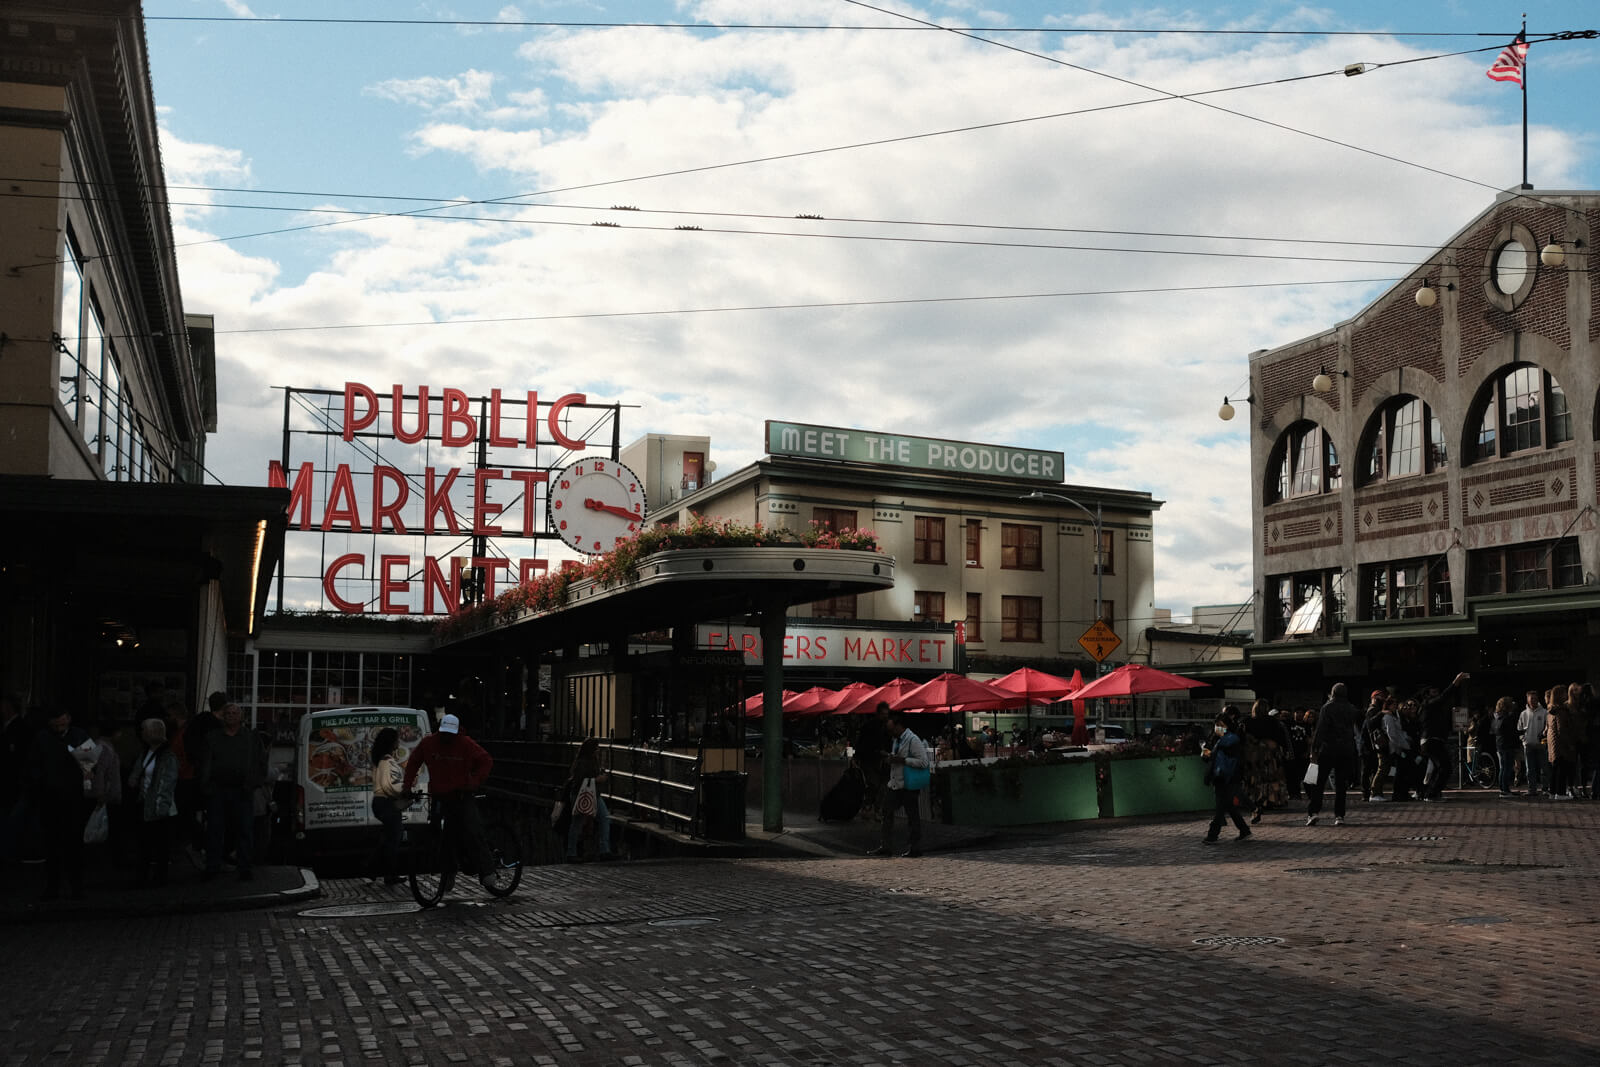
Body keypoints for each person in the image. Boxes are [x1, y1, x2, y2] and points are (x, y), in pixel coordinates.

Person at [402, 712, 496, 888]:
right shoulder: (428, 743)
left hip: (462, 794)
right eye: (443, 733)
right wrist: (407, 787)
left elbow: (486, 761)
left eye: (449, 734)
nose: (446, 737)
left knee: (472, 830)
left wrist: (474, 781)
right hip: (439, 795)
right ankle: (449, 871)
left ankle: (487, 870)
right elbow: (414, 762)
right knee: (442, 835)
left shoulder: (466, 744)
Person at [26, 708, 94, 900]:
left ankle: (73, 886)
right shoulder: (47, 738)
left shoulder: (73, 735)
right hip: (54, 797)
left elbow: (90, 764)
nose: (59, 724)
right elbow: (34, 766)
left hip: (70, 797)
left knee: (71, 844)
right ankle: (58, 886)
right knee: (54, 844)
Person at [200, 702, 267, 881]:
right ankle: (212, 865)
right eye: (227, 713)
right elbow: (206, 762)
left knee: (244, 830)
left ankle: (244, 866)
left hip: (242, 790)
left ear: (241, 716)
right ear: (222, 716)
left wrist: (252, 784)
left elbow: (259, 763)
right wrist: (206, 786)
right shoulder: (212, 737)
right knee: (215, 830)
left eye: (234, 713)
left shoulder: (250, 738)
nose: (230, 716)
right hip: (217, 790)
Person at [867, 710, 929, 858]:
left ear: (899, 726)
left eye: (892, 729)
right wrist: (890, 758)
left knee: (912, 816)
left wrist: (903, 760)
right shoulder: (897, 740)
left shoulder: (913, 740)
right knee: (887, 813)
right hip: (895, 783)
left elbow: (923, 762)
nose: (890, 732)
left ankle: (915, 847)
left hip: (908, 785)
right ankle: (886, 846)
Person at [131, 717, 179, 887]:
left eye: (144, 730)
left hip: (159, 806)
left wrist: (161, 805)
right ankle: (147, 876)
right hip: (148, 802)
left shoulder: (166, 756)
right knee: (147, 844)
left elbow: (167, 783)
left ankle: (156, 877)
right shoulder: (149, 752)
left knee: (158, 845)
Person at [1306, 682, 1360, 826]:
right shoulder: (1352, 709)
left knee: (1319, 782)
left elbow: (1321, 730)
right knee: (1341, 785)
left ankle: (1314, 812)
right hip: (1346, 749)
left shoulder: (1327, 708)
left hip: (1328, 748)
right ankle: (1339, 816)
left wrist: (1314, 749)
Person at [1202, 708, 1251, 843]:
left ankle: (1213, 835)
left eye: (1221, 725)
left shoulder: (1228, 740)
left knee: (1221, 807)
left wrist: (1211, 754)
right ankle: (1244, 829)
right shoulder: (1219, 739)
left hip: (1226, 777)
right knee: (1228, 805)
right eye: (1217, 725)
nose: (1218, 728)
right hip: (1222, 777)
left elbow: (1227, 759)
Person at [1418, 672, 1469, 801]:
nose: (1436, 693)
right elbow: (1443, 697)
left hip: (1433, 741)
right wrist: (1455, 682)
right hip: (1431, 740)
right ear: (1427, 694)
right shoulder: (1428, 704)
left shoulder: (1433, 708)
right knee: (1445, 767)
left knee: (1437, 768)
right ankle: (1432, 794)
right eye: (1432, 692)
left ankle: (1430, 792)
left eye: (1436, 691)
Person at [565, 737, 614, 861]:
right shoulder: (582, 762)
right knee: (577, 823)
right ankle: (571, 853)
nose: (598, 750)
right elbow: (579, 780)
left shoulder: (592, 760)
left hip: (593, 794)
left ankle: (604, 850)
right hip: (582, 794)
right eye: (596, 748)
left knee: (604, 818)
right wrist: (597, 779)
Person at [368, 727, 406, 884]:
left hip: (381, 803)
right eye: (397, 739)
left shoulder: (384, 759)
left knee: (388, 838)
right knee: (394, 839)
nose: (399, 742)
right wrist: (402, 793)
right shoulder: (386, 761)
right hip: (386, 803)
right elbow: (387, 785)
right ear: (391, 742)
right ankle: (389, 875)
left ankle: (371, 868)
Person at [1242, 699, 1288, 822]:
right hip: (1271, 756)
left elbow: (1242, 738)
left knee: (1255, 781)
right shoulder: (1273, 721)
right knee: (1270, 779)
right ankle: (1268, 800)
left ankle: (1255, 804)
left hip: (1254, 756)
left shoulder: (1247, 721)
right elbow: (1281, 739)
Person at [853, 703, 891, 819]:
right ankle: (869, 807)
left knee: (881, 785)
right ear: (878, 714)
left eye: (886, 714)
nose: (885, 716)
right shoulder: (870, 726)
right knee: (874, 784)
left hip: (880, 760)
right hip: (869, 760)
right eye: (883, 714)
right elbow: (862, 744)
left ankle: (873, 808)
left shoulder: (885, 727)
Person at [1518, 690, 1549, 798]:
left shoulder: (1544, 712)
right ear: (1527, 699)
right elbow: (1519, 729)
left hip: (1541, 745)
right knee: (1529, 769)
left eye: (1535, 698)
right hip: (1528, 745)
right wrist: (1524, 740)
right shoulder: (1523, 714)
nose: (1533, 701)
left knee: (1544, 768)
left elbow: (1547, 727)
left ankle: (1545, 789)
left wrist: (1544, 739)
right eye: (1531, 699)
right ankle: (1532, 789)